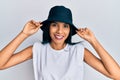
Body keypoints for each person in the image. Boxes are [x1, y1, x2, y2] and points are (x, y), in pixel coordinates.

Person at [0, 5, 120, 80]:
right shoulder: (37, 49)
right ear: (48, 27)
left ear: (70, 29)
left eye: (65, 26)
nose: (59, 31)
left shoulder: (78, 51)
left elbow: (116, 75)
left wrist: (94, 41)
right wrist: (24, 34)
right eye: (54, 25)